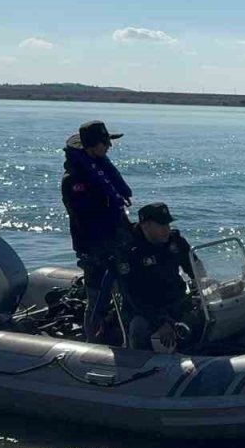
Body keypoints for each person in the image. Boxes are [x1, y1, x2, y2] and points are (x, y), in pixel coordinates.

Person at [61, 120, 132, 343]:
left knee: (128, 292)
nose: (109, 146)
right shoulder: (75, 180)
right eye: (105, 142)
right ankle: (92, 341)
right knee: (96, 298)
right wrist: (103, 250)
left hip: (117, 242)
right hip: (95, 249)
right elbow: (85, 218)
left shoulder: (100, 170)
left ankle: (123, 334)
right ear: (92, 146)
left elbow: (115, 209)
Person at [113, 203, 199, 352]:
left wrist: (204, 286)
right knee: (138, 328)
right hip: (144, 308)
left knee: (201, 313)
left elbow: (195, 267)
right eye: (161, 225)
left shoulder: (175, 241)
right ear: (145, 226)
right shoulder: (129, 250)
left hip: (174, 299)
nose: (166, 229)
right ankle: (139, 360)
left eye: (168, 224)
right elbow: (132, 295)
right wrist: (159, 322)